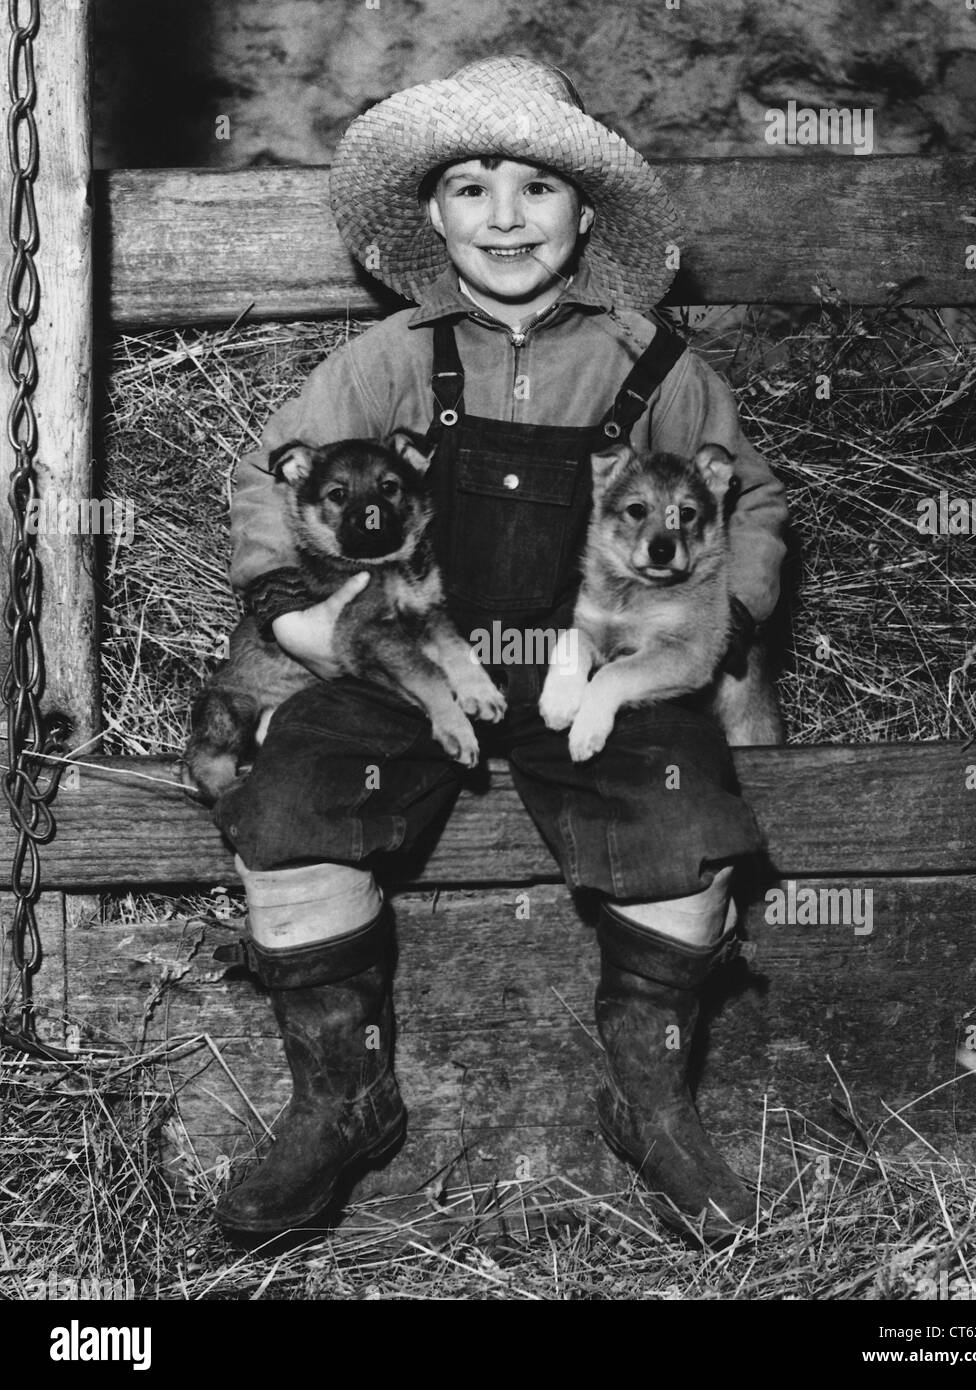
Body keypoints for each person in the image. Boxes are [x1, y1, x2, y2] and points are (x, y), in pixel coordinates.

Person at [211, 54, 788, 1239]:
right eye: (471, 189)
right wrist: (293, 612)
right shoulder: (387, 359)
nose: (505, 216)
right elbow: (269, 481)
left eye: (535, 187)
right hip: (417, 656)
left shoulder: (656, 366)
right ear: (432, 215)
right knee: (292, 803)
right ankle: (344, 1097)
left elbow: (759, 506)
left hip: (603, 672)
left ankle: (653, 1100)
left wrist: (720, 619)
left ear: (587, 213)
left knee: (687, 831)